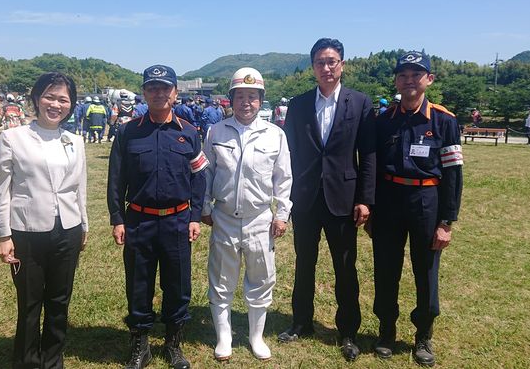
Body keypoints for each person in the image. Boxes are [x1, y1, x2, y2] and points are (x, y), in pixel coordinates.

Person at [278, 38, 376, 362]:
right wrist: (285, 199)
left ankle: (348, 331)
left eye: (332, 61)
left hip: (343, 199)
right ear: (313, 67)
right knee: (304, 264)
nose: (327, 67)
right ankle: (301, 322)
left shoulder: (360, 103)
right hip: (305, 199)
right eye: (320, 62)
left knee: (345, 268)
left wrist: (365, 199)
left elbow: (368, 155)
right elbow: (287, 155)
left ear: (342, 65)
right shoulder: (299, 104)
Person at [107, 64, 208, 369]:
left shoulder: (189, 134)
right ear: (144, 92)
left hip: (178, 221)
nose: (159, 93)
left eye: (165, 88)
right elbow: (115, 180)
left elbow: (199, 177)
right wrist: (117, 218)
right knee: (139, 284)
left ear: (175, 93)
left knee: (178, 285)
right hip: (139, 221)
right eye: (152, 88)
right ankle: (140, 346)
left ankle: (173, 345)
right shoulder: (127, 132)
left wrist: (194, 216)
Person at [370, 51, 463, 367]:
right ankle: (386, 330)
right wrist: (370, 208)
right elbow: (371, 167)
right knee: (385, 269)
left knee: (426, 272)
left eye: (416, 74)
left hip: (427, 203)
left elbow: (453, 174)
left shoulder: (444, 120)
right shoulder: (383, 120)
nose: (409, 80)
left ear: (429, 79)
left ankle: (423, 334)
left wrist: (447, 221)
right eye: (403, 75)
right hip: (388, 201)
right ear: (396, 80)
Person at [0, 72, 88, 368]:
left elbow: (79, 186)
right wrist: (4, 235)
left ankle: (52, 359)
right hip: (27, 232)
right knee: (30, 302)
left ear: (70, 105)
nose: (55, 104)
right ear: (36, 98)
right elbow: (1, 190)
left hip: (67, 230)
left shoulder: (75, 140)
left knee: (59, 302)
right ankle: (27, 361)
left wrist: (83, 225)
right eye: (49, 96)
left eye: (63, 99)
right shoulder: (13, 137)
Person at [201, 67, 292, 361]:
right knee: (221, 279)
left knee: (261, 279)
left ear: (261, 100)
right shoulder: (215, 131)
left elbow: (283, 178)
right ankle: (223, 337)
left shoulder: (275, 134)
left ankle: (256, 337)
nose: (246, 103)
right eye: (240, 96)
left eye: (252, 97)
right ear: (230, 99)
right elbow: (206, 173)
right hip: (224, 217)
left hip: (260, 219)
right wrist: (204, 206)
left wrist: (283, 214)